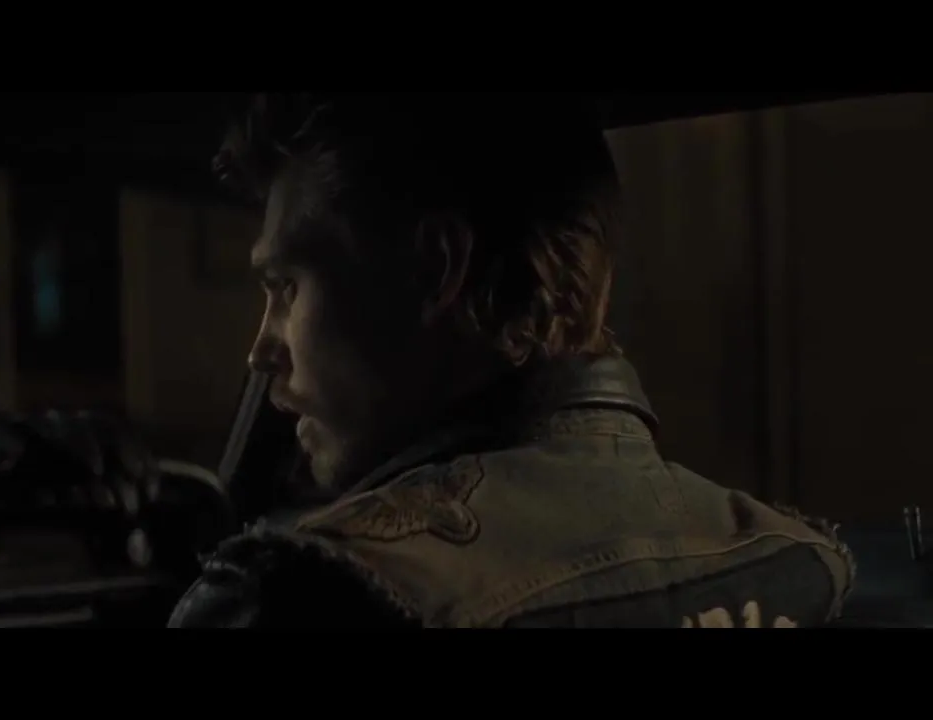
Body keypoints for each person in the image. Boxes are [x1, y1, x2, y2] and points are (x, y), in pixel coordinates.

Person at [166, 92, 856, 628]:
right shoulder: (795, 563)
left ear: (437, 267)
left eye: (287, 286)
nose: (262, 348)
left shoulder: (306, 597)